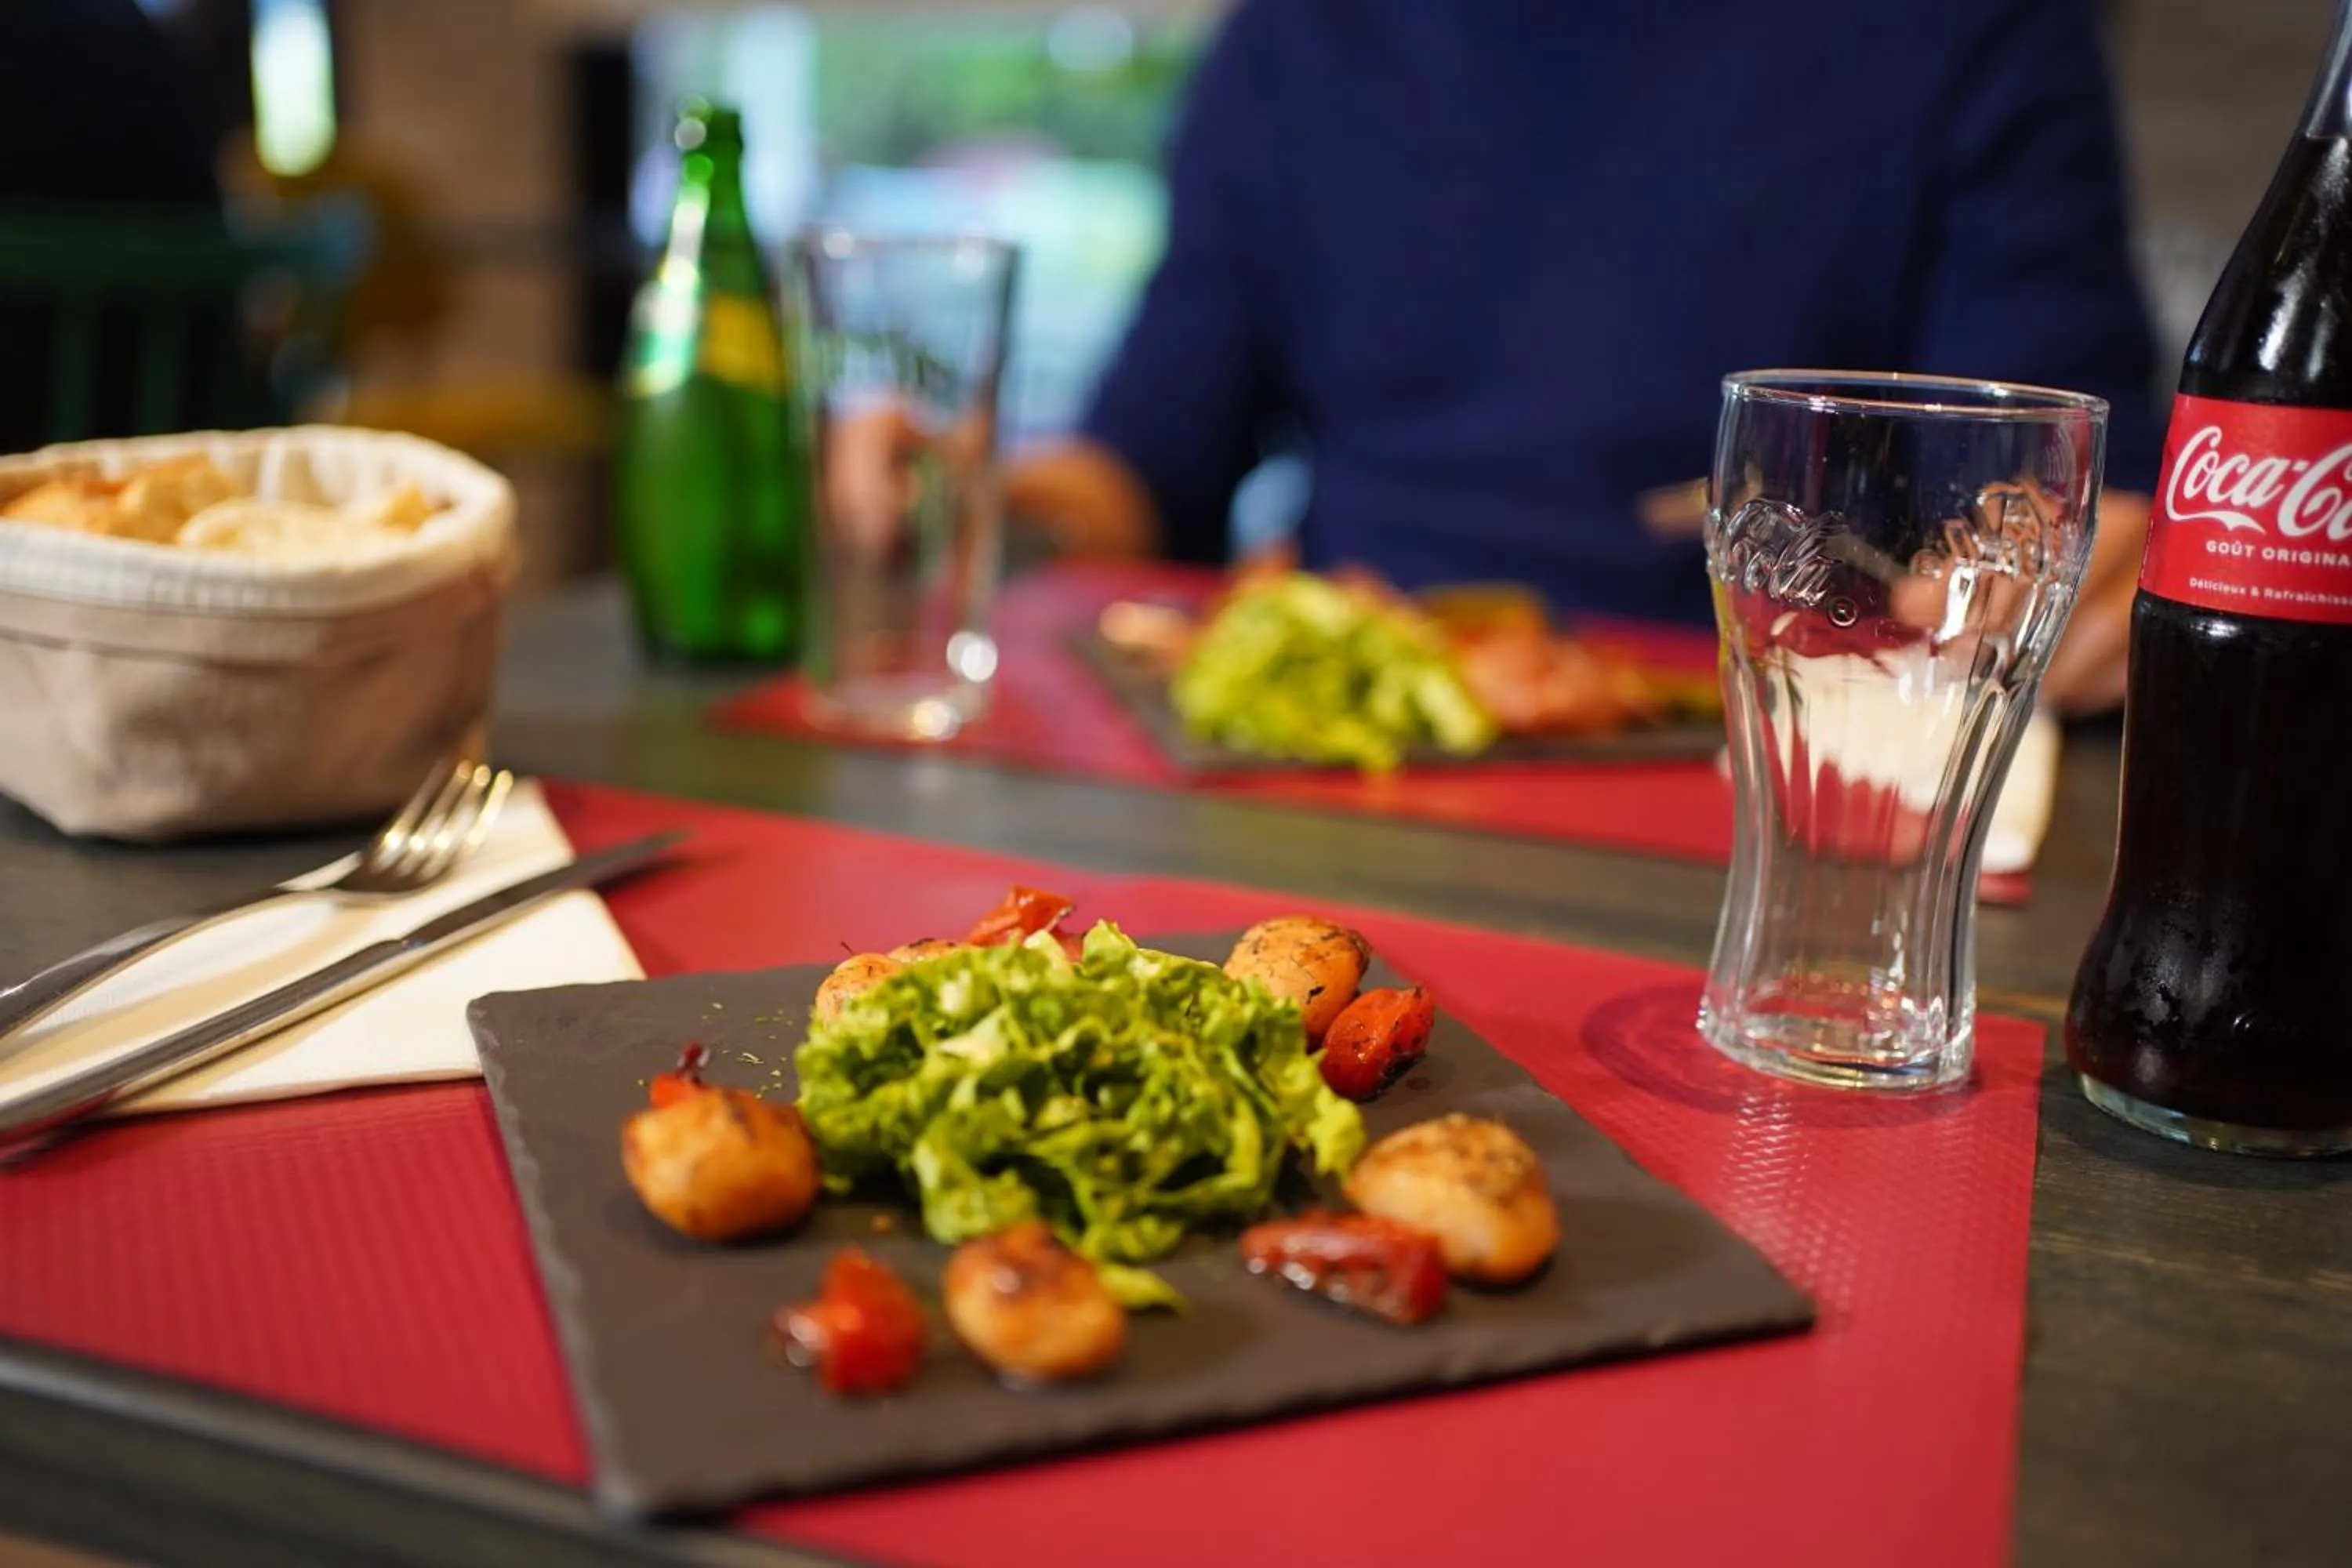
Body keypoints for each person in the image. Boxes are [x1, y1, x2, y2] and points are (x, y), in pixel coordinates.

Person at [1004, 0, 2163, 716]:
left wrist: (2107, 553)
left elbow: (2064, 475)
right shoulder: (1297, 38)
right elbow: (1148, 470)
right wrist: (968, 505)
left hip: (1787, 759)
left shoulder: (1976, 28)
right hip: (1346, 753)